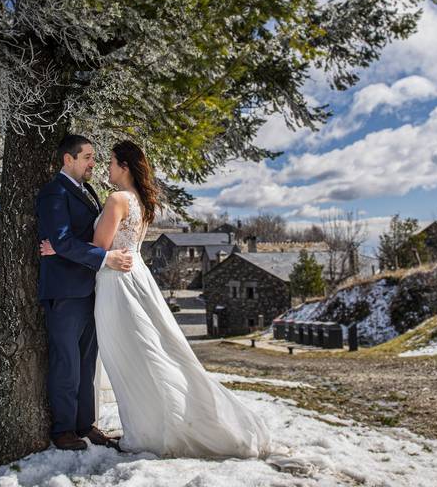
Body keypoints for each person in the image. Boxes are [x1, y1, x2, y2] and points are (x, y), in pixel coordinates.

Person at [41, 139, 275, 459]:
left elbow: (99, 244)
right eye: (90, 158)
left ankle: (95, 424)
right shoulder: (132, 200)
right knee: (116, 355)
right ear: (68, 159)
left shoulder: (113, 198)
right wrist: (63, 244)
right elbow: (90, 243)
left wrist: (61, 246)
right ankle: (71, 427)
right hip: (115, 281)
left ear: (124, 167)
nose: (99, 166)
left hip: (114, 283)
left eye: (105, 161)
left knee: (124, 355)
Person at [35, 134, 133, 451]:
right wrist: (104, 258)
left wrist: (68, 251)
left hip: (90, 287)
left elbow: (81, 236)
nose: (93, 162)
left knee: (88, 362)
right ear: (69, 159)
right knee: (67, 362)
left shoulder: (87, 191)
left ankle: (84, 424)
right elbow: (62, 241)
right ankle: (64, 430)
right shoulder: (53, 193)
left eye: (94, 156)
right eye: (88, 156)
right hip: (64, 291)